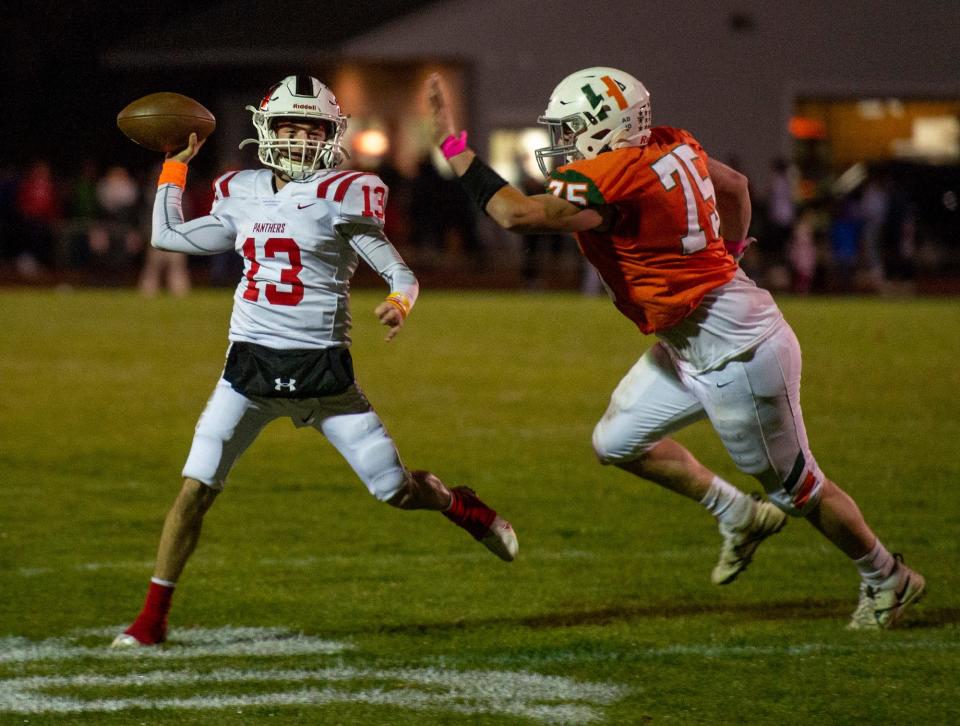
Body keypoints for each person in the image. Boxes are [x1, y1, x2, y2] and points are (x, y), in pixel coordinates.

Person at [427, 68, 924, 629]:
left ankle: (888, 575)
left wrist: (452, 144)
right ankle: (736, 513)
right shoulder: (673, 141)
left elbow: (514, 213)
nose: (561, 142)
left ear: (606, 128)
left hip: (736, 353)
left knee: (798, 491)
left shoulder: (614, 174)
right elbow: (734, 185)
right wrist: (731, 251)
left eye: (570, 128)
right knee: (616, 440)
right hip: (693, 337)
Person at [112, 75, 518, 648]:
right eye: (290, 128)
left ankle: (459, 505)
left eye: (312, 130)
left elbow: (402, 273)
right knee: (195, 488)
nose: (301, 141)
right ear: (266, 131)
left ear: (332, 136)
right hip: (247, 372)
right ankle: (150, 621)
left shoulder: (346, 192)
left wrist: (400, 303)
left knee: (395, 491)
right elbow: (167, 235)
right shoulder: (242, 190)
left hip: (323, 376)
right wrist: (175, 165)